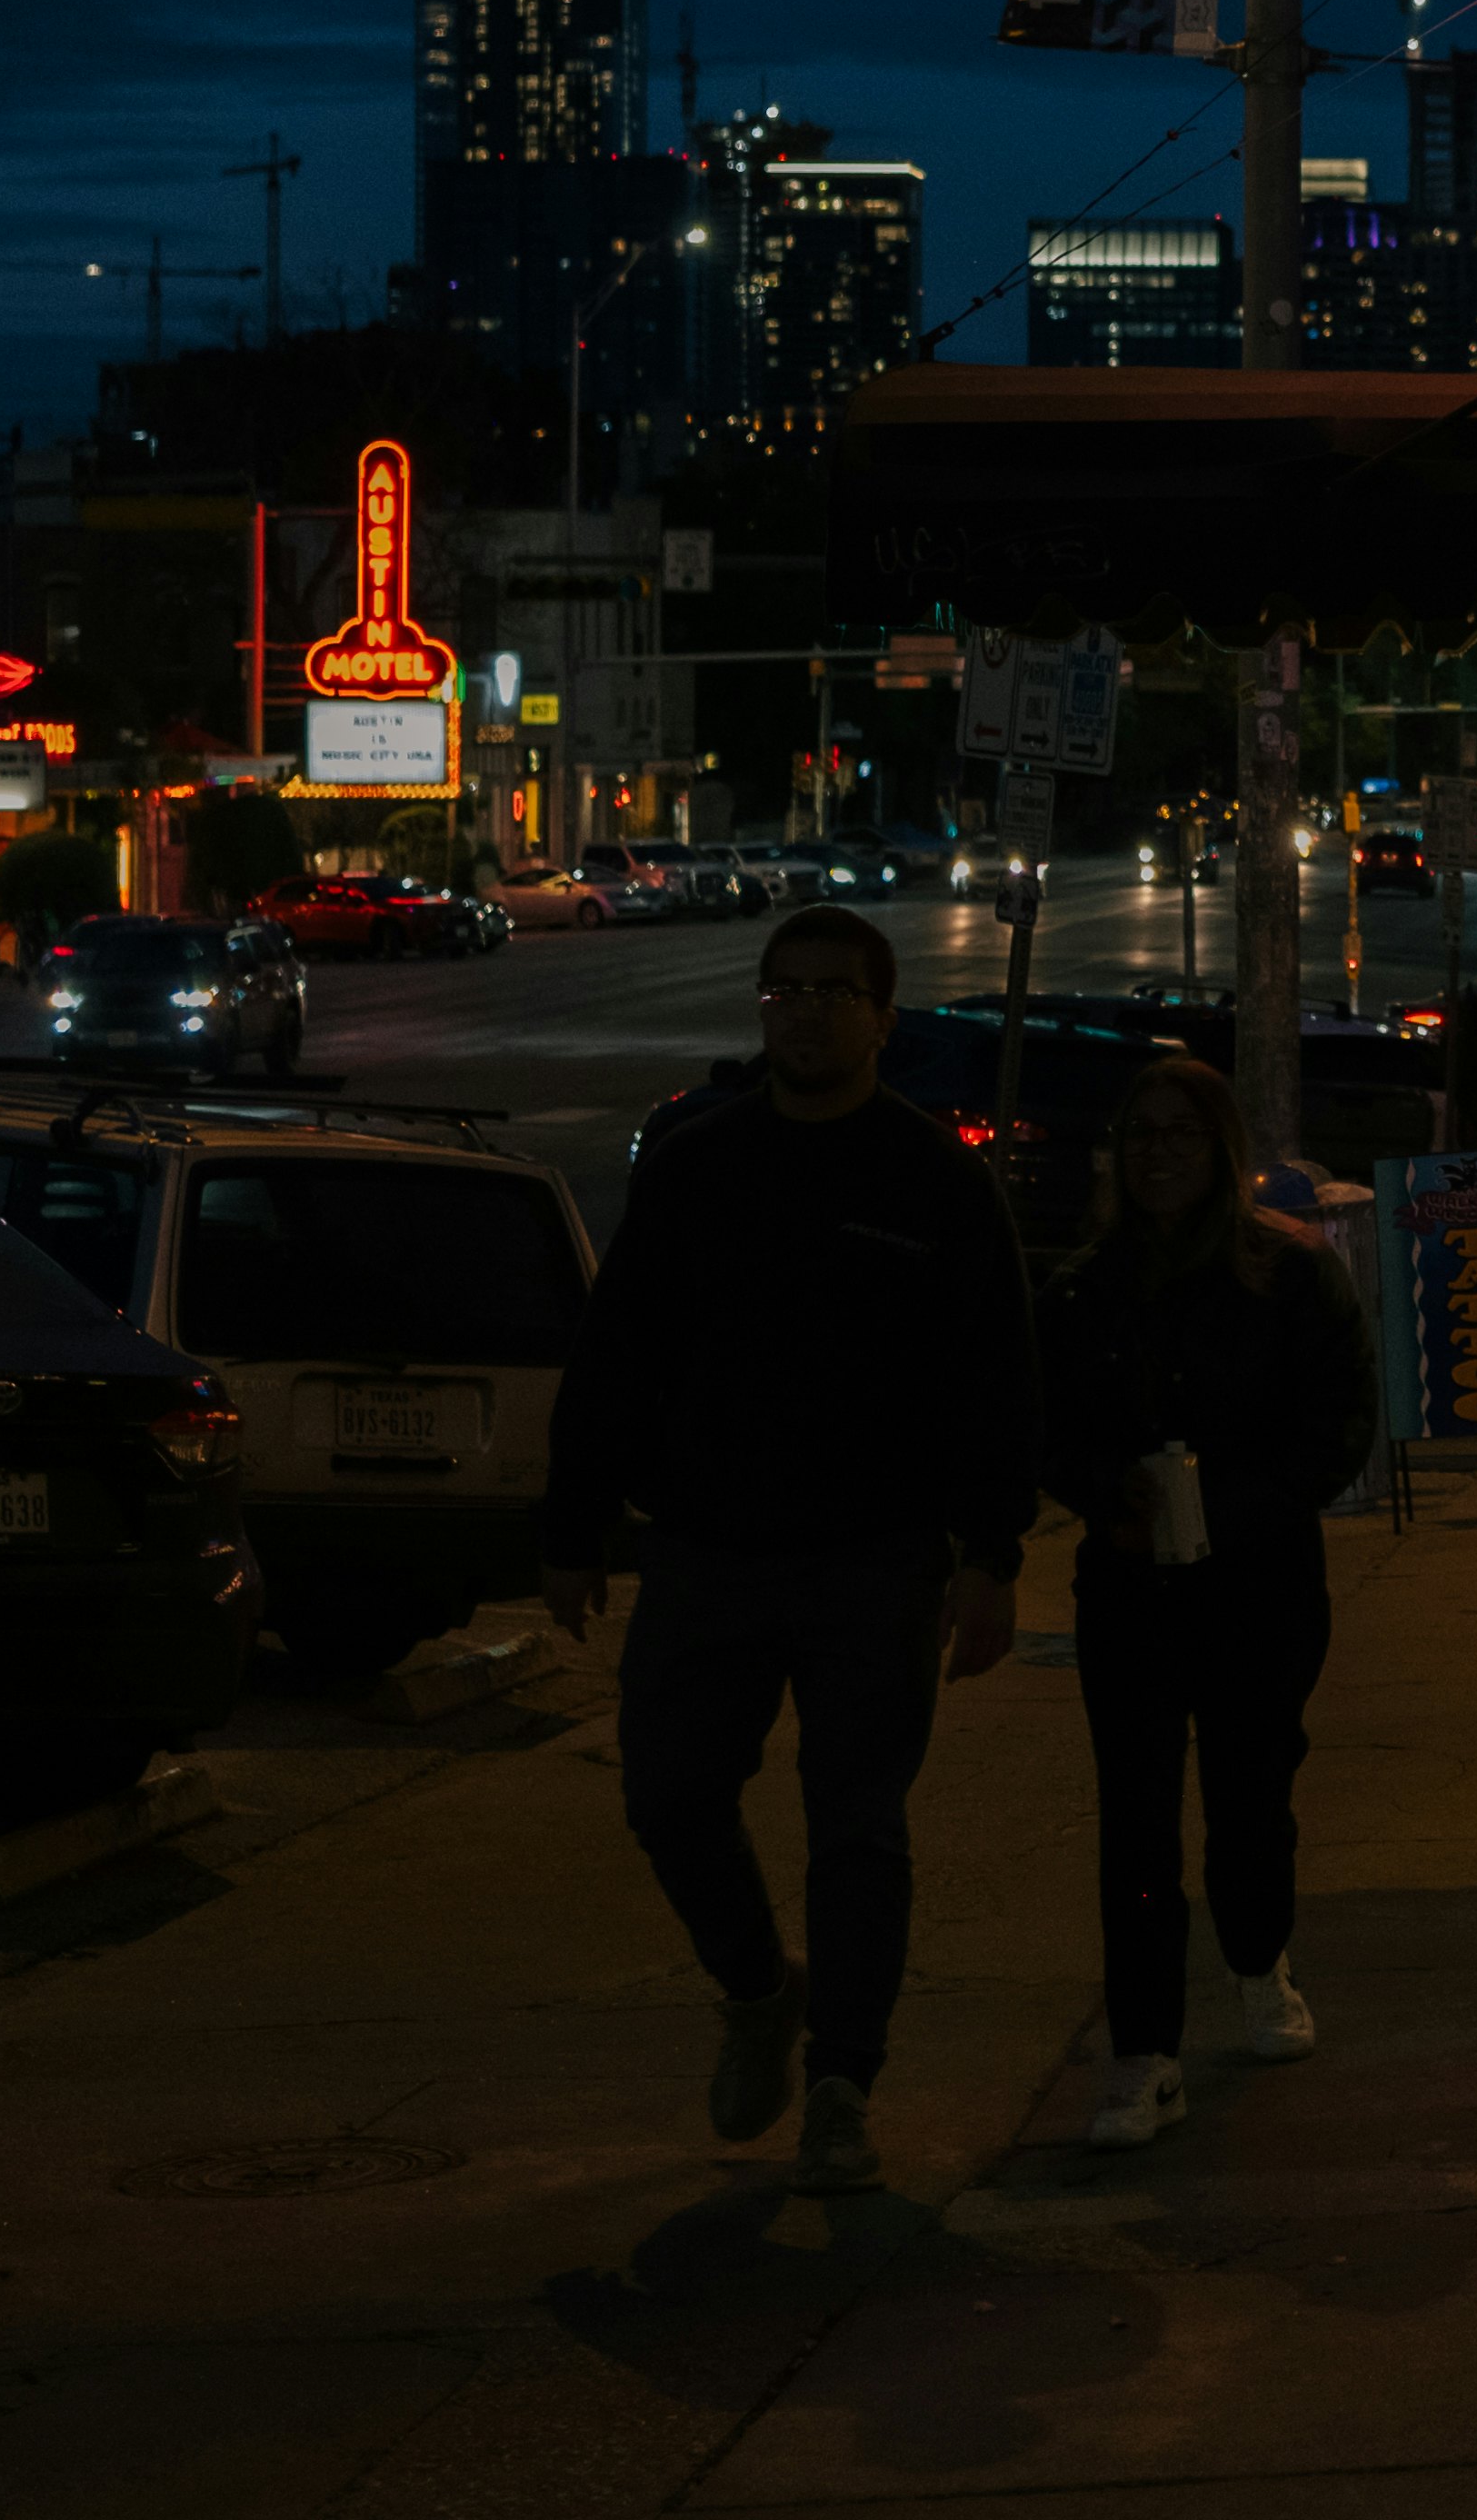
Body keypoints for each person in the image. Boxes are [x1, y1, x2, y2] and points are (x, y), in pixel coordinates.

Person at [534, 906, 1037, 2196]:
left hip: (874, 1559)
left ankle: (839, 2084)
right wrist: (573, 1523)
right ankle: (759, 1987)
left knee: (856, 1823)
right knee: (669, 1795)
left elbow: (991, 1377)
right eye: (783, 990)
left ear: (882, 1016)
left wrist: (993, 1554)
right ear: (761, 1008)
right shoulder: (699, 1164)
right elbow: (618, 1354)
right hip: (707, 1547)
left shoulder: (932, 1180)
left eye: (832, 992)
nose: (805, 1011)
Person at [1032, 1050, 1374, 2150]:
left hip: (1260, 1585)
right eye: (1142, 1136)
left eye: (1183, 1135)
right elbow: (1043, 1424)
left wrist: (1231, 1504)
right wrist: (1106, 1489)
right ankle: (1143, 2050)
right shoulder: (1085, 1288)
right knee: (1135, 1818)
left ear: (1221, 1153)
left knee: (1248, 1795)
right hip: (1131, 1589)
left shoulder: (1291, 1275)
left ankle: (1257, 1954)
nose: (1160, 1156)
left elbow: (1337, 1424)